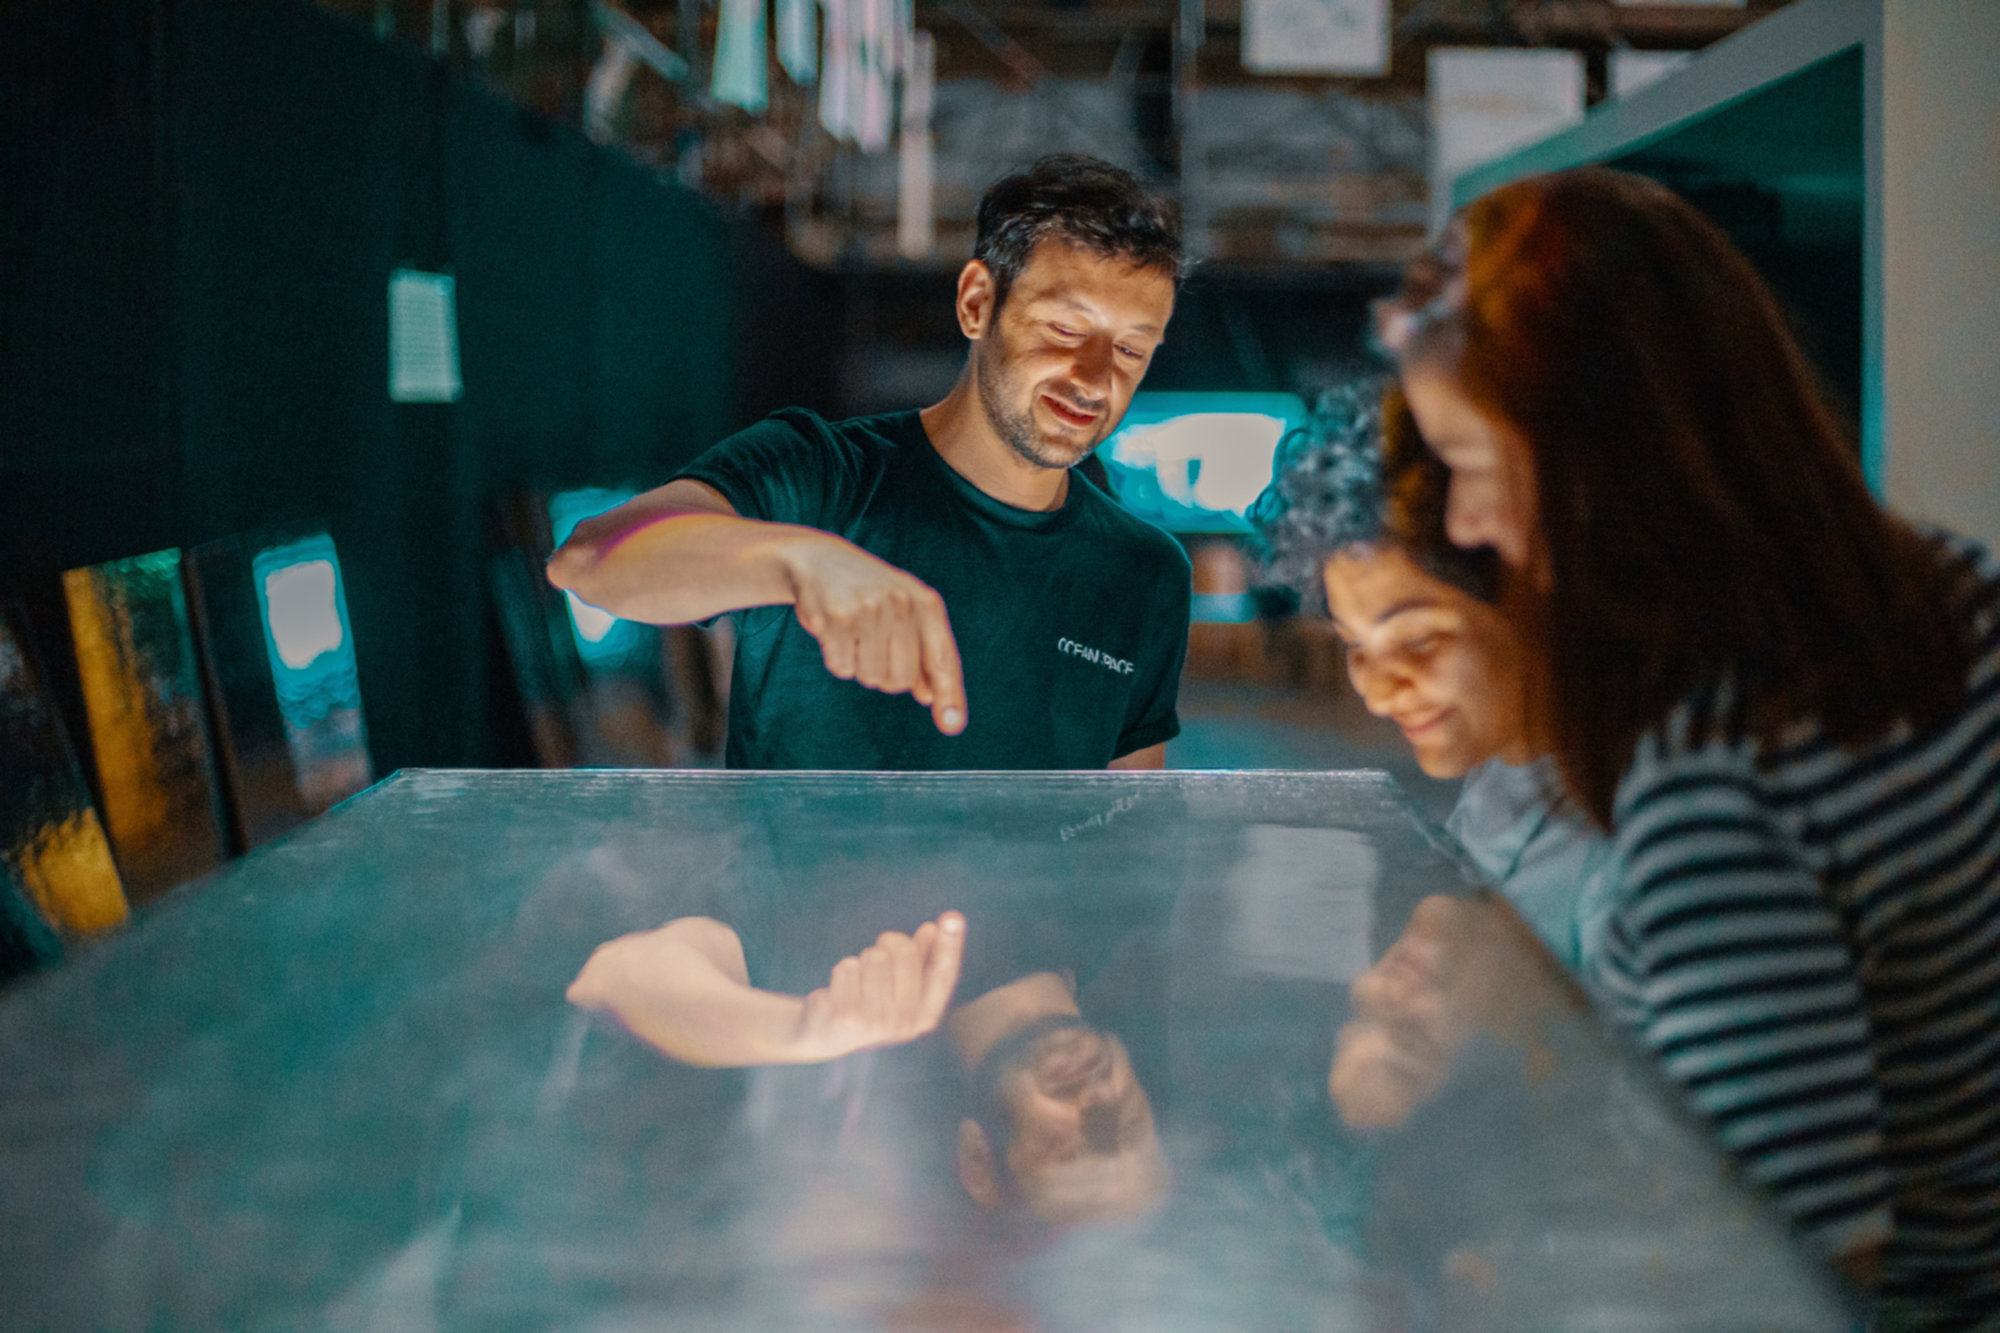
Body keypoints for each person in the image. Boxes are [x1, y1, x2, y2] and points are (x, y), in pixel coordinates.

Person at [1347, 166, 2000, 1325]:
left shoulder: (1714, 782)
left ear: (1608, 464)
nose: (1462, 526)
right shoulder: (1955, 589)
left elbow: (1788, 1272)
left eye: (1482, 472)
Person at [547, 155, 1193, 770]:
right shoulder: (820, 473)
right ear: (976, 303)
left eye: (1133, 351)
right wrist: (799, 563)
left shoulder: (1145, 573)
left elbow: (1128, 828)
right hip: (803, 891)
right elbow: (591, 560)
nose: (1096, 378)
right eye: (1066, 330)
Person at [1249, 382, 1614, 967]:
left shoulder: (1623, 853)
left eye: (1418, 639)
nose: (1376, 692)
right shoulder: (1502, 780)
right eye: (1355, 644)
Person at [567, 885, 1171, 1226]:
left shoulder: (843, 988)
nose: (1096, 1101)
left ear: (978, 1160)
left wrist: (804, 1030)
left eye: (1071, 1146)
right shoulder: (1122, 911)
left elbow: (610, 980)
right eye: (1125, 1125)